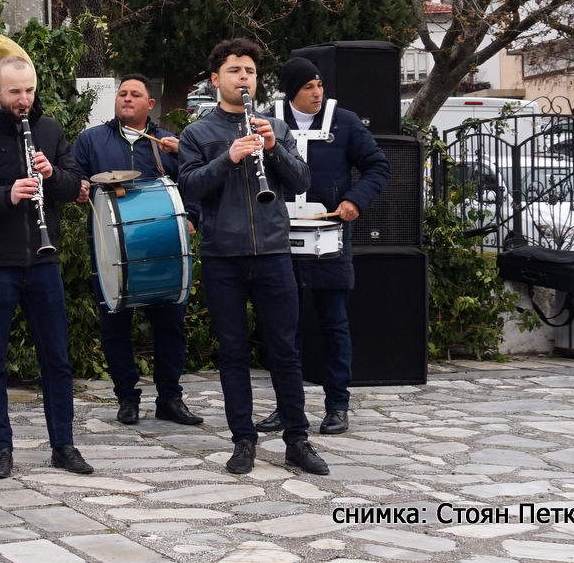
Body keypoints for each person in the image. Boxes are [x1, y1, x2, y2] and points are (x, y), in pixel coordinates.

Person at [177, 38, 327, 476]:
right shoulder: (196, 134)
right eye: (235, 71)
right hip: (223, 254)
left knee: (285, 350)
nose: (244, 78)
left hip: (274, 252)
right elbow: (189, 187)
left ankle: (297, 440)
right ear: (215, 79)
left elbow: (302, 182)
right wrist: (228, 157)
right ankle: (243, 440)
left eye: (250, 72)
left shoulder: (274, 127)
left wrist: (274, 148)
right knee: (233, 351)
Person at [0, 55, 93, 480]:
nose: (24, 99)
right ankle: (1, 449)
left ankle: (63, 445)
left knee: (56, 359)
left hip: (43, 260)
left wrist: (53, 175)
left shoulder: (49, 129)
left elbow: (74, 187)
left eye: (29, 90)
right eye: (15, 92)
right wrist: (6, 195)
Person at [257, 57, 390, 436]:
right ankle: (287, 406)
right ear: (291, 92)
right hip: (280, 239)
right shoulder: (268, 122)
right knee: (285, 328)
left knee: (334, 324)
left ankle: (337, 406)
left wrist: (354, 200)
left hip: (330, 238)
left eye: (319, 85)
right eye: (308, 87)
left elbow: (378, 166)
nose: (317, 93)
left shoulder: (344, 122)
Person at [71, 74, 203, 427]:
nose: (126, 99)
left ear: (150, 104)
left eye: (135, 94)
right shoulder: (91, 140)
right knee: (115, 327)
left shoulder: (168, 143)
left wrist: (192, 217)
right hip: (109, 249)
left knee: (170, 326)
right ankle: (126, 398)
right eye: (122, 94)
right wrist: (77, 187)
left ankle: (170, 398)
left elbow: (194, 183)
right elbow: (72, 176)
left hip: (162, 246)